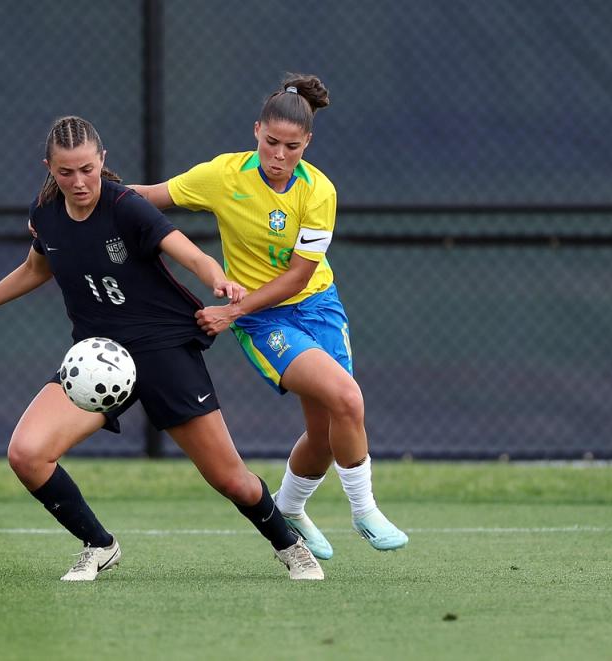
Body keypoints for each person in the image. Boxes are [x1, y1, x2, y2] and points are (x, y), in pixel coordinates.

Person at [0, 115, 323, 581]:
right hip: (98, 359)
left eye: (87, 169)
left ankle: (290, 545)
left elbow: (188, 251)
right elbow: (36, 269)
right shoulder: (46, 214)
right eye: (66, 172)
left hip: (163, 349)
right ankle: (99, 545)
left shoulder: (126, 206)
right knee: (27, 454)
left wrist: (218, 279)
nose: (79, 182)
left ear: (103, 161)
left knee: (229, 478)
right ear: (49, 168)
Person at [130, 74, 408, 559]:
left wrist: (229, 311)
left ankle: (289, 508)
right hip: (264, 320)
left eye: (292, 147)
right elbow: (149, 196)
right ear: (256, 130)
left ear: (308, 143)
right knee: (347, 397)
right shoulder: (224, 175)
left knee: (326, 433)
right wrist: (84, 192)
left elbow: (299, 277)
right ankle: (364, 510)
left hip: (317, 306)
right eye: (271, 142)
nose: (279, 155)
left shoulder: (319, 191)